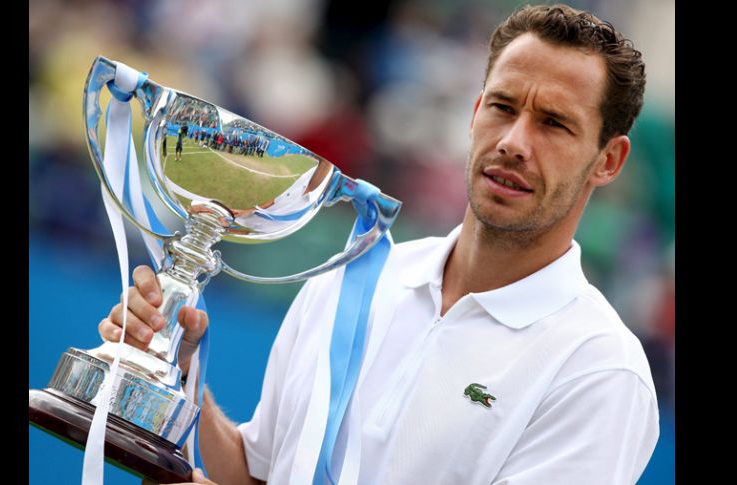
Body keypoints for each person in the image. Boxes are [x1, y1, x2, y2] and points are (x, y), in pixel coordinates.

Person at [99, 4, 659, 484]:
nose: (514, 142)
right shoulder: (351, 275)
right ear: (474, 113)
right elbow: (260, 471)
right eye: (503, 107)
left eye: (554, 123)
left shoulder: (601, 371)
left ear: (607, 160)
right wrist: (176, 368)